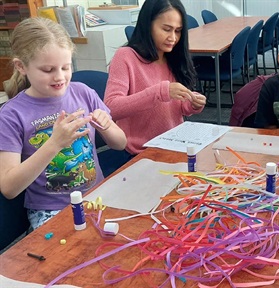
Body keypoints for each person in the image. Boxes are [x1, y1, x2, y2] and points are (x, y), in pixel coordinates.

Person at [0, 18, 127, 229]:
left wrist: (107, 126)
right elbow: (9, 187)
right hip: (50, 210)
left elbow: (121, 143)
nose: (59, 77)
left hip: (97, 196)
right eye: (48, 70)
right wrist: (54, 144)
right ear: (21, 66)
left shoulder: (83, 92)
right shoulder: (11, 115)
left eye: (66, 67)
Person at [104, 0, 206, 158]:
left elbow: (173, 108)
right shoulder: (125, 56)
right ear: (147, 24)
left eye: (178, 31)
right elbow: (111, 109)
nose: (173, 37)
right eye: (166, 29)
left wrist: (190, 104)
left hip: (174, 144)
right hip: (140, 151)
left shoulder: (172, 57)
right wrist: (159, 92)